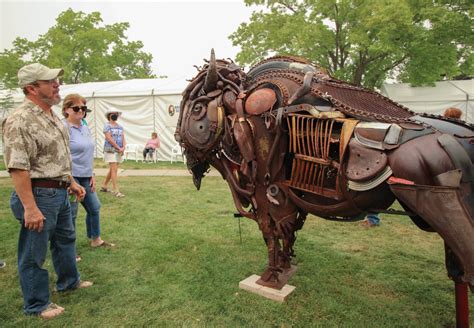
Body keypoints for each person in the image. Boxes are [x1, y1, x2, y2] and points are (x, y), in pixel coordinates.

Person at [2, 63, 93, 319]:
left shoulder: (52, 116)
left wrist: (71, 181)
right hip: (39, 196)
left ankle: (69, 281)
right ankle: (37, 304)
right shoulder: (20, 120)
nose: (57, 84)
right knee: (33, 253)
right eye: (49, 81)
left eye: (56, 80)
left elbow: (56, 158)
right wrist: (30, 208)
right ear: (31, 88)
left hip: (60, 192)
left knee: (66, 241)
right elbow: (18, 168)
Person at [62, 94, 115, 249]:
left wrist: (91, 174)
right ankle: (68, 250)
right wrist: (68, 180)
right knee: (71, 213)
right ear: (66, 110)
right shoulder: (64, 128)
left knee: (94, 207)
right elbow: (61, 155)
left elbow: (87, 153)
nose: (81, 111)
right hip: (71, 177)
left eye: (83, 108)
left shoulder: (84, 127)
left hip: (86, 175)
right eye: (76, 108)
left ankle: (95, 239)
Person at [100, 110, 126, 197]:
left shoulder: (120, 127)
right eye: (113, 114)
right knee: (114, 169)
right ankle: (116, 190)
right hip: (110, 149)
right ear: (109, 116)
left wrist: (123, 147)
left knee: (112, 169)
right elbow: (109, 138)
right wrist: (118, 148)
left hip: (119, 150)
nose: (115, 115)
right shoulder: (107, 126)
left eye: (116, 114)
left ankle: (104, 185)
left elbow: (123, 137)